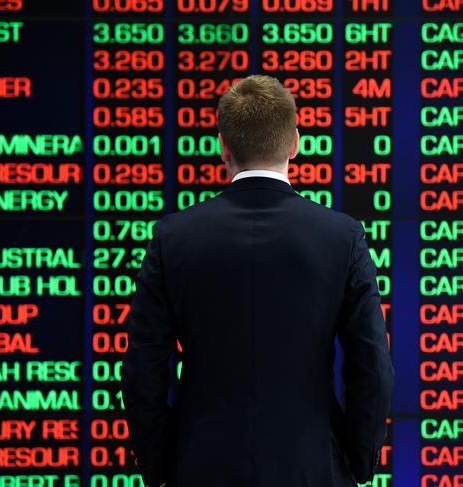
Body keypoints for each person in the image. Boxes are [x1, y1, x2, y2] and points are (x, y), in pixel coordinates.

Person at [121, 74, 394, 487]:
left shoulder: (172, 238)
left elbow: (145, 367)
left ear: (222, 146)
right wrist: (357, 462)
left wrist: (161, 465)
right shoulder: (342, 237)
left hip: (200, 467)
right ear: (295, 144)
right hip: (313, 468)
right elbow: (371, 364)